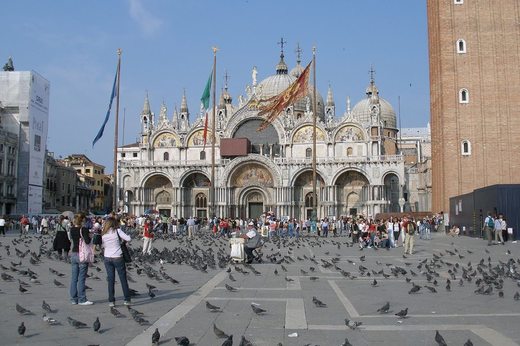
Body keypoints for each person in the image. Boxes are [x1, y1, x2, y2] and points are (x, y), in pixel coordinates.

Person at [101, 217, 132, 307]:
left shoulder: (103, 233)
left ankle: (111, 301)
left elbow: (103, 245)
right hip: (117, 257)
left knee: (110, 280)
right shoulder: (117, 231)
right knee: (123, 279)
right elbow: (129, 238)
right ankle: (126, 299)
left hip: (107, 257)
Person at [69, 213, 93, 305]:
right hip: (82, 255)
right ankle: (82, 299)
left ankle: (73, 299)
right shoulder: (83, 229)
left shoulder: (72, 229)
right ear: (82, 220)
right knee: (81, 278)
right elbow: (87, 241)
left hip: (74, 253)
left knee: (74, 278)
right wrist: (90, 236)